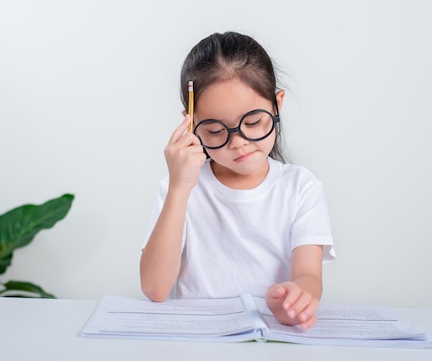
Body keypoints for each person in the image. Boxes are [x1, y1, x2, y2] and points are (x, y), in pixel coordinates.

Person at [140, 31, 335, 330]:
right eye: (216, 131)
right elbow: (155, 289)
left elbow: (308, 275)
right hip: (198, 341)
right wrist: (180, 188)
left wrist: (297, 298)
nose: (238, 142)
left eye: (254, 122)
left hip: (272, 339)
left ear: (277, 104)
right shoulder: (178, 187)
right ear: (190, 124)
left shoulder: (300, 188)